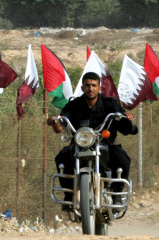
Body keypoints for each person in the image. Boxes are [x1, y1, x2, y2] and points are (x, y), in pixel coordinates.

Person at [48, 71, 137, 212]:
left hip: (105, 145)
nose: (91, 89)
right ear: (82, 88)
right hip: (79, 145)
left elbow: (126, 128)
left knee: (122, 157)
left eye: (94, 85)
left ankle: (116, 194)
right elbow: (60, 126)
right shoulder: (73, 105)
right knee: (61, 157)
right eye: (87, 85)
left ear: (99, 88)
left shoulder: (111, 104)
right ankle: (68, 195)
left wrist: (125, 117)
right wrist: (54, 121)